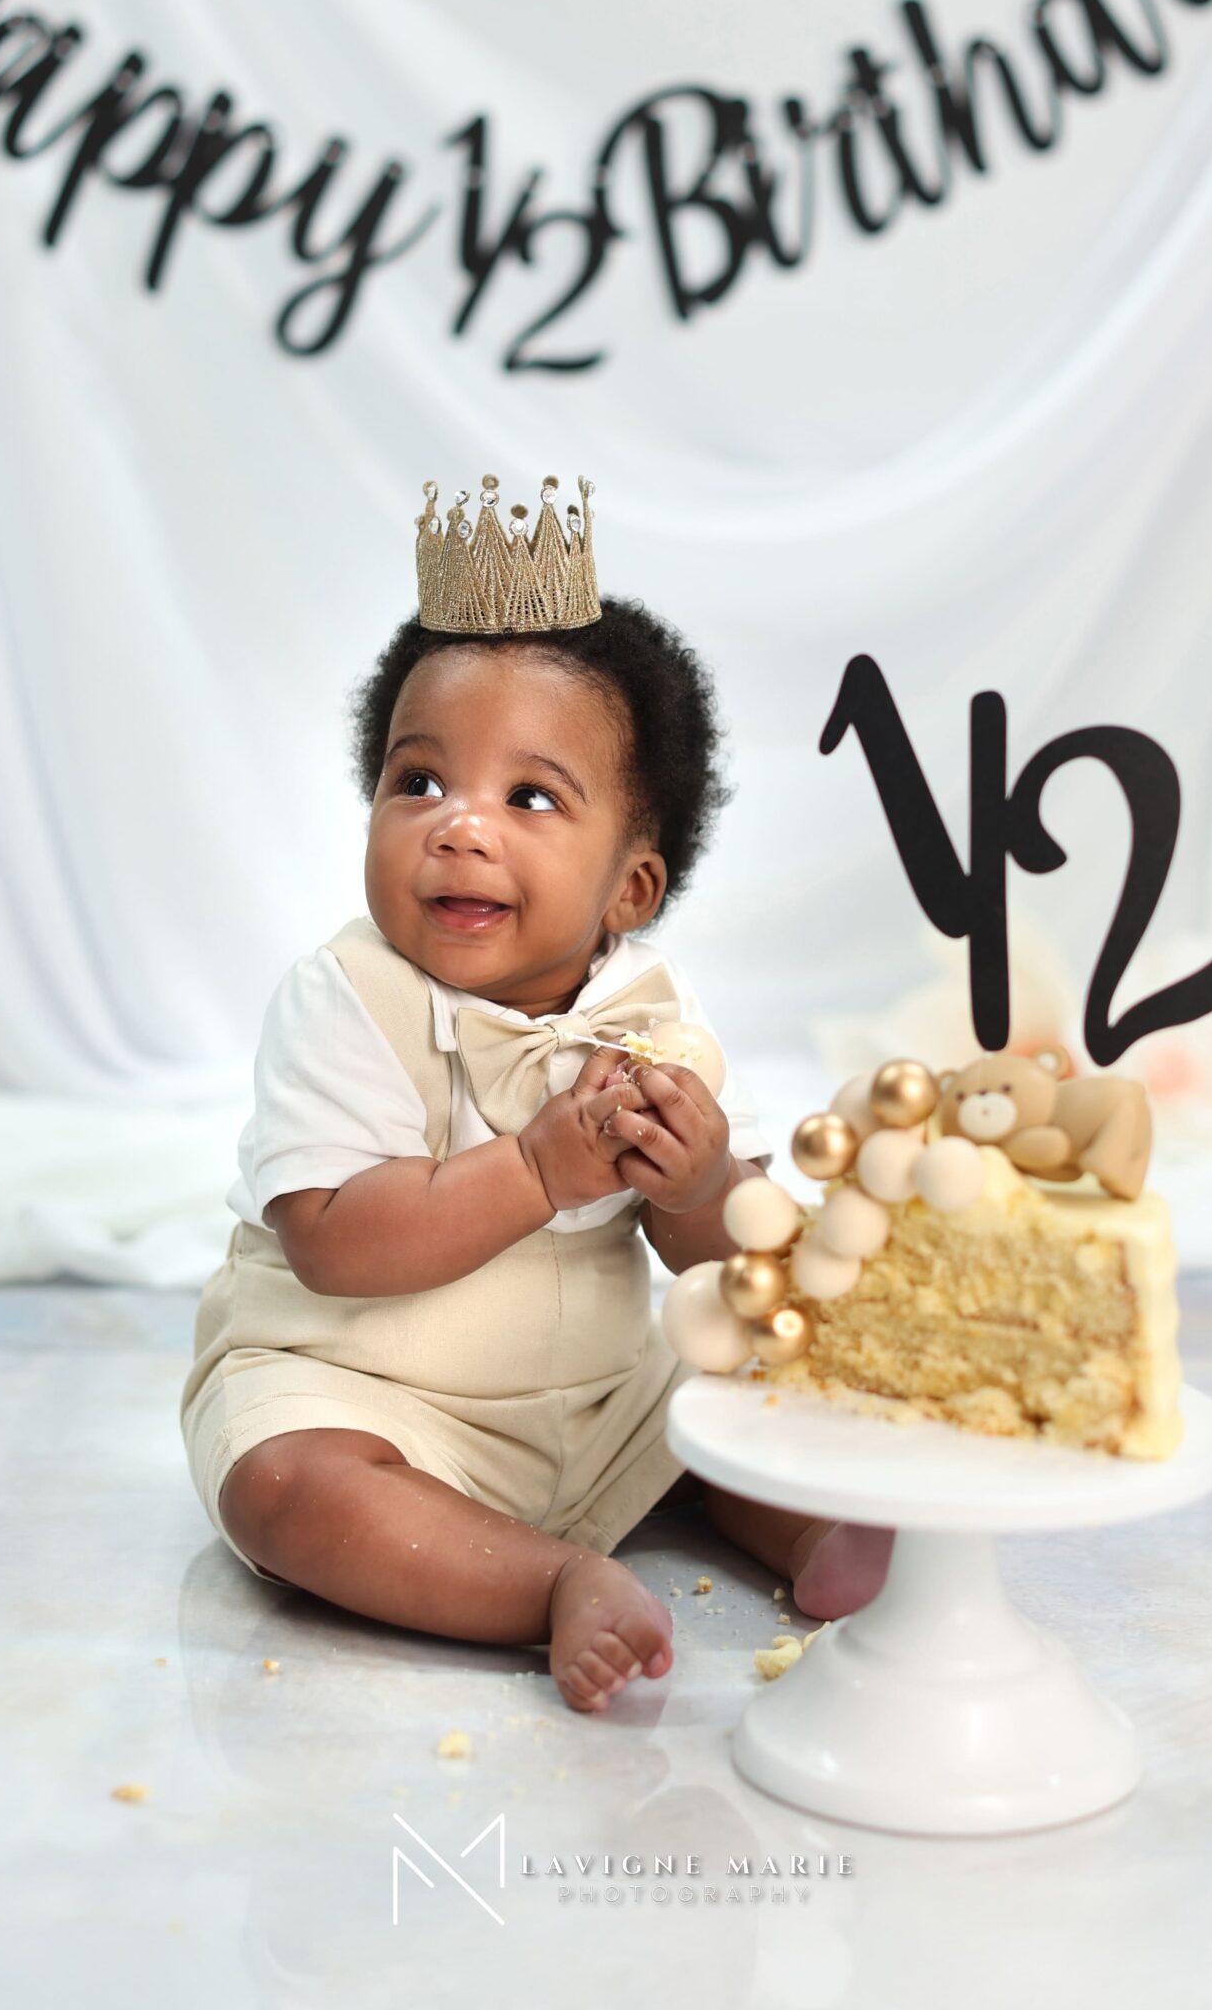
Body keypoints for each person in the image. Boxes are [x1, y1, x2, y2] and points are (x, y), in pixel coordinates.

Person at [179, 476, 891, 1713]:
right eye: (418, 782)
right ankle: (548, 1579)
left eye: (529, 798)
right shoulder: (345, 999)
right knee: (284, 1490)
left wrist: (700, 1184)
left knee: (727, 1392)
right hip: (372, 1396)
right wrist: (535, 1169)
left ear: (630, 888)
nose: (458, 827)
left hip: (599, 1402)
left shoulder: (654, 1015)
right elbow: (334, 1241)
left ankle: (808, 1528)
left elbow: (720, 1261)